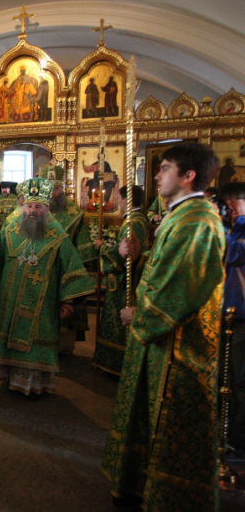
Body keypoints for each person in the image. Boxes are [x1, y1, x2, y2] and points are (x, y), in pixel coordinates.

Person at [101, 144, 225, 511]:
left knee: (171, 427)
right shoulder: (182, 216)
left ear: (188, 176)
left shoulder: (197, 222)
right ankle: (141, 486)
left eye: (165, 168)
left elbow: (181, 288)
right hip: (162, 344)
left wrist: (139, 315)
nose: (156, 175)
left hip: (180, 349)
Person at [0, 178, 94, 399]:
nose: (33, 211)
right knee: (8, 335)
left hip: (43, 302)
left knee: (37, 340)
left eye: (38, 206)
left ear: (47, 208)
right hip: (10, 296)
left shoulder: (57, 234)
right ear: (23, 206)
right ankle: (10, 377)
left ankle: (35, 384)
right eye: (29, 206)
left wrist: (68, 300)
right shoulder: (10, 227)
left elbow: (70, 266)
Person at [91, 185, 149, 376]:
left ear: (126, 200)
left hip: (125, 284)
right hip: (123, 281)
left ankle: (117, 365)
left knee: (118, 324)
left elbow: (126, 257)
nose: (117, 201)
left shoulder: (134, 223)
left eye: (119, 198)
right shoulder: (135, 221)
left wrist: (101, 249)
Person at [39, 163, 94, 354]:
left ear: (62, 189)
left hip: (65, 270)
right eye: (49, 189)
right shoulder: (38, 211)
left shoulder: (74, 214)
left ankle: (63, 347)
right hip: (40, 269)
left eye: (56, 188)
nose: (52, 193)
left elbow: (83, 246)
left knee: (64, 313)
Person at [219, 182, 245, 461]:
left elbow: (233, 254)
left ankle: (239, 440)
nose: (231, 210)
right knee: (227, 380)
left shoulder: (240, 230)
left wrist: (217, 226)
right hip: (230, 315)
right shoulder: (234, 228)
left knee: (240, 382)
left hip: (242, 316)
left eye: (233, 203)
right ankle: (229, 433)